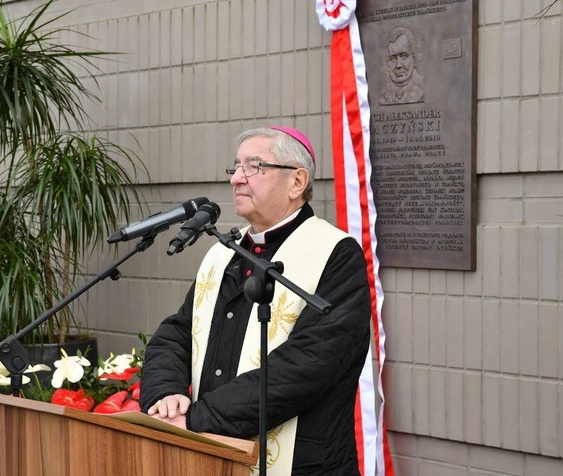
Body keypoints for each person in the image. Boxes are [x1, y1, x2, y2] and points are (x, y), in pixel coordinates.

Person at [140, 126, 372, 475]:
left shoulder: (335, 255)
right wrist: (165, 394)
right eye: (235, 167)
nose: (237, 179)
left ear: (297, 182)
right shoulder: (225, 252)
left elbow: (306, 365)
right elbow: (177, 332)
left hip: (305, 465)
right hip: (216, 455)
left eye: (254, 167)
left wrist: (198, 418)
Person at [380, 26, 425, 105]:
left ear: (413, 59)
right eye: (393, 58)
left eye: (403, 56)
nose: (398, 65)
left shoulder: (423, 89)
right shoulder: (383, 95)